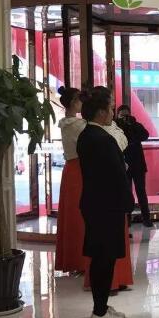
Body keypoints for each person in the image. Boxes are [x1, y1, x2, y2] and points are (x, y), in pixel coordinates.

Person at [77, 88, 134, 318]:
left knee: (101, 256)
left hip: (96, 204)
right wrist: (128, 203)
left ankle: (100, 307)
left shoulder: (88, 135)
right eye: (111, 108)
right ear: (101, 112)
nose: (113, 113)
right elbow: (117, 176)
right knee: (105, 258)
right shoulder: (101, 139)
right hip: (106, 207)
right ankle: (99, 312)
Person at [54, 87, 87, 274]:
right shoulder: (79, 125)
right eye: (80, 100)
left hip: (70, 170)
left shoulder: (65, 124)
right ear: (74, 103)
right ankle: (81, 261)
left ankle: (73, 261)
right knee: (81, 216)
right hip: (80, 171)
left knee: (71, 216)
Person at [116, 104, 153, 228]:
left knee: (141, 191)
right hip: (124, 164)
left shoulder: (135, 125)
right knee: (126, 193)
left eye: (127, 115)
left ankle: (146, 218)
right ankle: (127, 220)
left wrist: (133, 124)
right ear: (117, 115)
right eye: (122, 116)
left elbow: (145, 135)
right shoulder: (115, 127)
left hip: (138, 164)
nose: (124, 118)